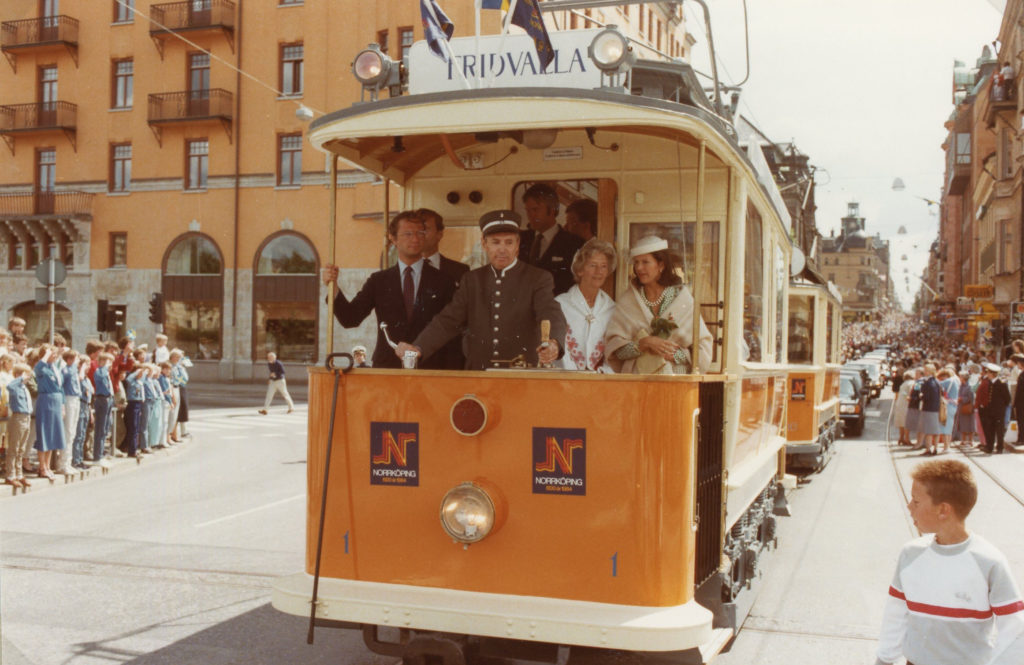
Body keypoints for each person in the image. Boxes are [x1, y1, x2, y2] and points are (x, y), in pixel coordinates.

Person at [874, 459, 1024, 665]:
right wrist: (884, 660)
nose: (909, 507)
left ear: (943, 510)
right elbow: (895, 615)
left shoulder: (989, 562)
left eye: (916, 501)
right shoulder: (910, 555)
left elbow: (1014, 630)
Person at [396, 209, 565, 370]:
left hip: (520, 375)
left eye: (509, 242)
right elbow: (448, 320)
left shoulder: (537, 278)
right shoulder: (472, 280)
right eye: (495, 242)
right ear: (484, 244)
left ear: (517, 244)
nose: (502, 249)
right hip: (479, 374)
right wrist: (418, 347)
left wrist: (554, 343)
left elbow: (550, 313)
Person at [322, 211, 461, 369]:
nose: (415, 239)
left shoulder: (444, 281)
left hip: (431, 367)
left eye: (420, 233)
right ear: (393, 238)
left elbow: (452, 329)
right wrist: (333, 287)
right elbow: (350, 318)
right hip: (388, 367)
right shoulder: (379, 281)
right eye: (407, 234)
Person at [605, 236, 713, 374]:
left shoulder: (682, 299)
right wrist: (643, 344)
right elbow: (615, 353)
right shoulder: (628, 301)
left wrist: (675, 354)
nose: (639, 268)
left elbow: (701, 350)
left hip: (675, 382)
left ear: (661, 265)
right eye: (636, 262)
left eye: (645, 262)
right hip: (637, 383)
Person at [555, 238, 617, 371]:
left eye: (604, 266)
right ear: (580, 270)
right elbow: (558, 348)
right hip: (566, 380)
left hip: (601, 383)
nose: (599, 271)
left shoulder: (612, 308)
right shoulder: (561, 304)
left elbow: (613, 351)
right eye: (592, 265)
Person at [518, 183, 584, 296]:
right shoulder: (519, 240)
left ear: (552, 210)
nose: (530, 215)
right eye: (528, 210)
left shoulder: (574, 244)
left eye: (535, 209)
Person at [32, 345, 66, 479]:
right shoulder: (42, 367)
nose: (55, 356)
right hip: (46, 401)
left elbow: (60, 388)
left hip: (56, 402)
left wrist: (63, 405)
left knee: (53, 434)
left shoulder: (55, 368)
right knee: (45, 434)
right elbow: (37, 368)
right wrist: (45, 355)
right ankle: (42, 467)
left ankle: (47, 465)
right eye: (53, 354)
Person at [418, 208, 470, 283]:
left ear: (439, 234)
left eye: (425, 229)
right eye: (417, 230)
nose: (420, 234)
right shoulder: (403, 270)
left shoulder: (460, 270)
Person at [4, 363, 33, 488]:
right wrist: (20, 378)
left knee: (21, 448)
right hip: (18, 417)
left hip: (26, 417)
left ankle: (19, 474)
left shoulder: (24, 388)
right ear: (18, 375)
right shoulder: (15, 386)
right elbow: (9, 386)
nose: (28, 377)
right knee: (14, 447)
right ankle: (10, 475)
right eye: (25, 374)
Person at [979, 362, 1011, 454]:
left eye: (988, 373)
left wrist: (1001, 408)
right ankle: (990, 447)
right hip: (990, 410)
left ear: (992, 374)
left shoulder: (1001, 383)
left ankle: (1000, 447)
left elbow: (1007, 398)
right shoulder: (989, 382)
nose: (987, 375)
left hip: (999, 410)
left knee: (999, 430)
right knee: (990, 429)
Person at [92, 352, 114, 467]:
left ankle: (101, 453)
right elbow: (100, 380)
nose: (109, 365)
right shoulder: (100, 371)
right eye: (107, 361)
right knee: (100, 428)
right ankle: (97, 456)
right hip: (102, 398)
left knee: (105, 427)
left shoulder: (106, 373)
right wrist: (105, 368)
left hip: (108, 399)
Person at [917, 363, 941, 456]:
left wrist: (921, 396)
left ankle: (928, 449)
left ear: (929, 371)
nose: (924, 371)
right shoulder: (937, 381)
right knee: (935, 430)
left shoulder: (928, 383)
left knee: (928, 431)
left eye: (925, 370)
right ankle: (935, 448)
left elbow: (926, 397)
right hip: (935, 408)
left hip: (928, 409)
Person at [936, 367, 959, 454]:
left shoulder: (948, 381)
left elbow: (937, 384)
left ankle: (946, 447)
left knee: (945, 426)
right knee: (949, 426)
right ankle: (947, 445)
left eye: (942, 377)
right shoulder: (955, 381)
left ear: (946, 375)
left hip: (948, 405)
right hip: (954, 405)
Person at [956, 369, 976, 449]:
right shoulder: (960, 386)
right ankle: (963, 440)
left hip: (968, 407)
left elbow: (971, 397)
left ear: (963, 378)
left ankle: (971, 440)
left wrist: (962, 399)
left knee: (970, 424)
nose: (959, 378)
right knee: (962, 424)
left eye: (960, 377)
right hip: (961, 407)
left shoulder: (969, 386)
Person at [893, 370, 913, 446]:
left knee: (901, 422)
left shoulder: (903, 383)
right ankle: (907, 439)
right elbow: (911, 393)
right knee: (906, 422)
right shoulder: (911, 383)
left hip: (900, 403)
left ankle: (901, 438)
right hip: (906, 404)